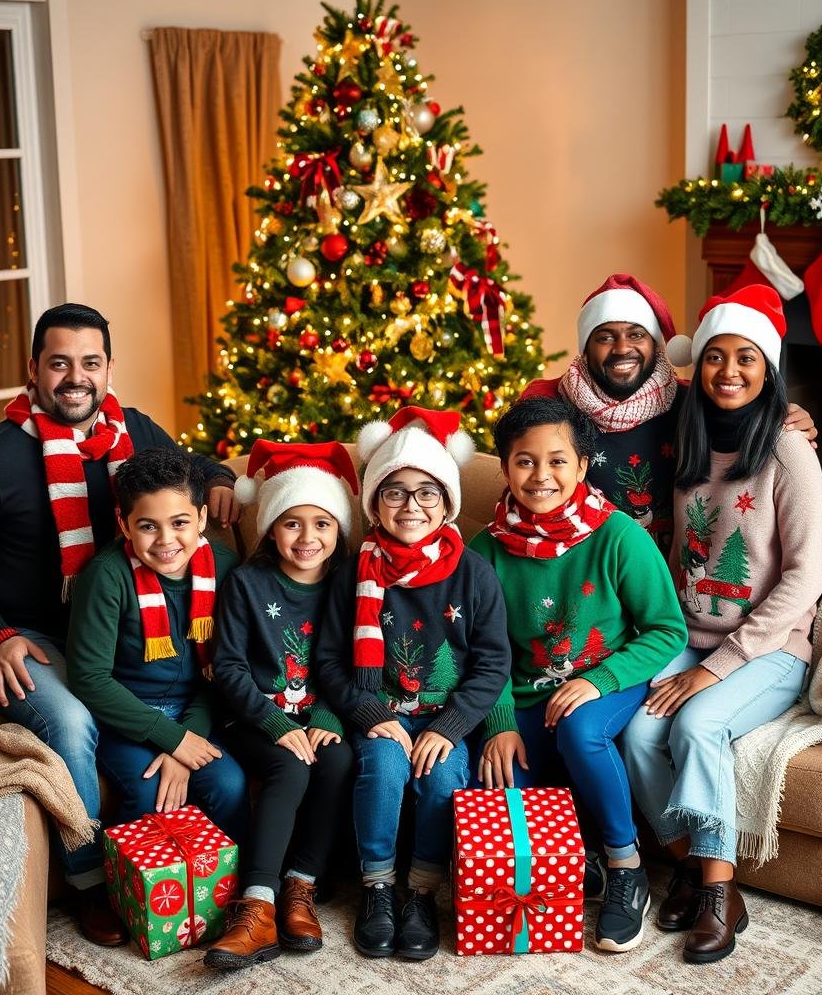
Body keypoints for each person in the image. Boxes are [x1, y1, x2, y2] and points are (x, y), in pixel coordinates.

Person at [0, 303, 238, 944]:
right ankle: (96, 882)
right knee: (70, 719)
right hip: (32, 636)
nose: (75, 377)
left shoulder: (131, 433)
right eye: (58, 362)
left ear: (108, 369)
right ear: (33, 370)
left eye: (90, 363)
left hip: (114, 628)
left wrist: (222, 477)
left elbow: (185, 469)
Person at [620, 284, 822, 964]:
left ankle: (717, 888)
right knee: (640, 730)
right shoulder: (689, 442)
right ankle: (685, 859)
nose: (729, 371)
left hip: (770, 648)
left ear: (768, 368)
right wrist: (674, 646)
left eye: (746, 358)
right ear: (695, 368)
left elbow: (804, 578)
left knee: (696, 724)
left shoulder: (790, 452)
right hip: (689, 637)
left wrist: (717, 667)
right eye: (714, 357)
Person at [469, 397, 687, 953]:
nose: (542, 476)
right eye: (524, 461)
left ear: (584, 464)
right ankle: (574, 864)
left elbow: (667, 631)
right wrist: (499, 723)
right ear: (503, 467)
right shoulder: (485, 551)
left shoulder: (618, 536)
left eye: (558, 460)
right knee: (500, 784)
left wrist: (601, 681)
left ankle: (626, 865)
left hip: (605, 679)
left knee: (579, 729)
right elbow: (481, 648)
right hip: (522, 691)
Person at [314, 407, 510, 961]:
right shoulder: (353, 572)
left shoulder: (473, 572)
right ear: (374, 502)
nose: (411, 506)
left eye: (427, 493)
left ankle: (421, 891)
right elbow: (329, 662)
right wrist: (372, 715)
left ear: (448, 503)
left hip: (443, 720)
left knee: (443, 776)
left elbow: (492, 664)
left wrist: (450, 727)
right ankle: (377, 887)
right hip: (378, 711)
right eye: (395, 493)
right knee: (381, 768)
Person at [522, 274, 816, 553]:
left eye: (636, 334)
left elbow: (743, 411)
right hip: (595, 574)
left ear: (656, 345)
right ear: (585, 349)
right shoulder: (553, 405)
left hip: (675, 577)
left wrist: (786, 417)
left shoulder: (690, 402)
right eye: (605, 337)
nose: (623, 348)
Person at [205, 441, 357, 971]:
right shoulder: (248, 584)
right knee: (289, 766)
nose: (308, 537)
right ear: (270, 527)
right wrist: (273, 721)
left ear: (339, 531)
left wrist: (327, 718)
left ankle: (302, 886)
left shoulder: (349, 584)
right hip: (252, 716)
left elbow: (357, 662)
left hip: (321, 715)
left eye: (322, 524)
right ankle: (259, 905)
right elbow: (228, 668)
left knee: (337, 759)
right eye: (293, 523)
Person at [67, 446, 247, 847]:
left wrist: (186, 738)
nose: (166, 540)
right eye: (148, 526)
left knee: (230, 785)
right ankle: (131, 897)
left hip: (197, 712)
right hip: (124, 717)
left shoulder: (224, 566)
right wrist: (172, 739)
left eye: (180, 522)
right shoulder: (106, 576)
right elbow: (89, 678)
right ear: (124, 523)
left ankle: (230, 893)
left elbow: (223, 668)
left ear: (201, 517)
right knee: (151, 794)